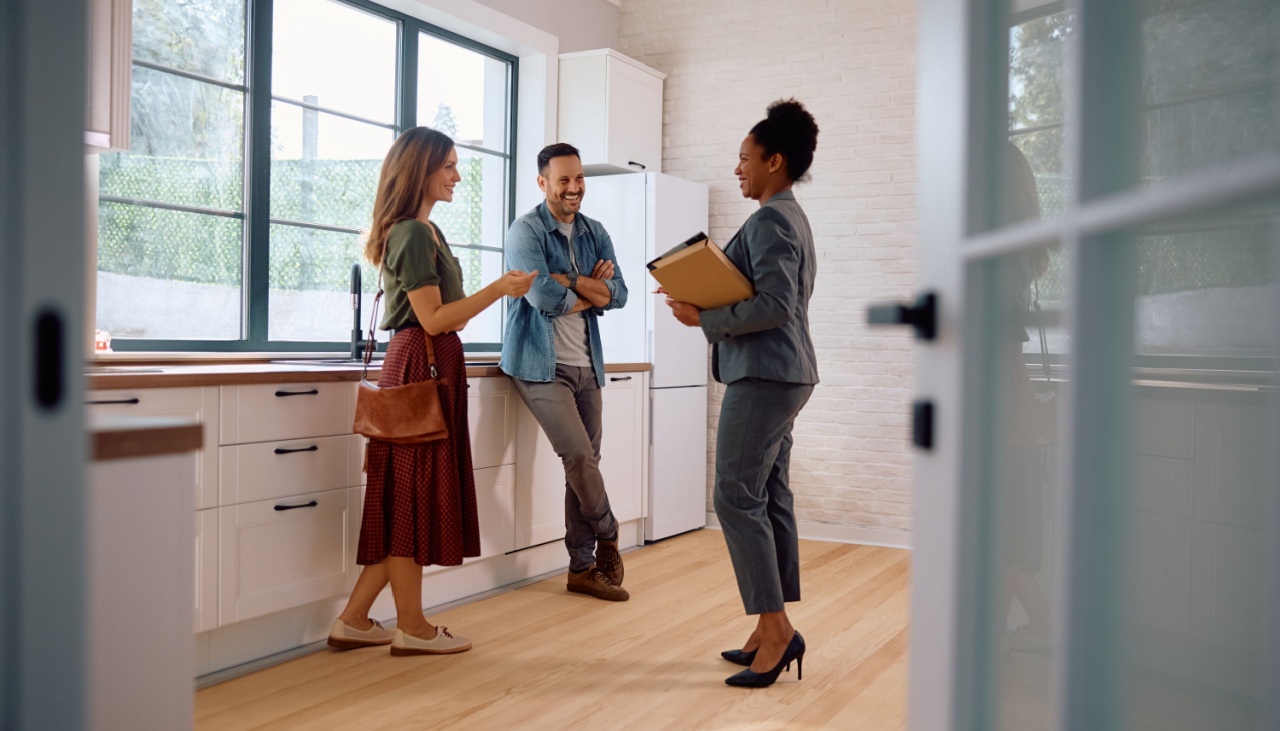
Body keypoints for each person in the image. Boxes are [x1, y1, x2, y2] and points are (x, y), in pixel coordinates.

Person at [328, 127, 536, 656]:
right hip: (421, 366)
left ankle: (353, 620)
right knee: (410, 501)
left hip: (423, 366)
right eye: (448, 166)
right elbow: (434, 318)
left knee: (404, 499)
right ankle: (414, 628)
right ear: (420, 170)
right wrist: (502, 289)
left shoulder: (423, 231)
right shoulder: (415, 234)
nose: (457, 176)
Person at [664, 99, 820, 687]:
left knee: (734, 496)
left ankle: (776, 630)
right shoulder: (790, 216)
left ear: (774, 161)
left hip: (767, 374)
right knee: (768, 492)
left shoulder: (771, 220)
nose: (737, 169)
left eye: (744, 158)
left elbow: (776, 305)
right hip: (785, 372)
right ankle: (770, 628)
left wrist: (702, 317)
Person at [499, 143, 630, 602]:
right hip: (539, 363)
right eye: (563, 180)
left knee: (584, 465)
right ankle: (610, 531)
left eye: (578, 179)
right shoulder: (525, 231)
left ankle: (581, 568)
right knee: (577, 455)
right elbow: (541, 298)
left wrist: (572, 280)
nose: (574, 188)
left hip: (587, 363)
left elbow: (620, 295)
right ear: (543, 183)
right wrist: (590, 291)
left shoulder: (595, 231)